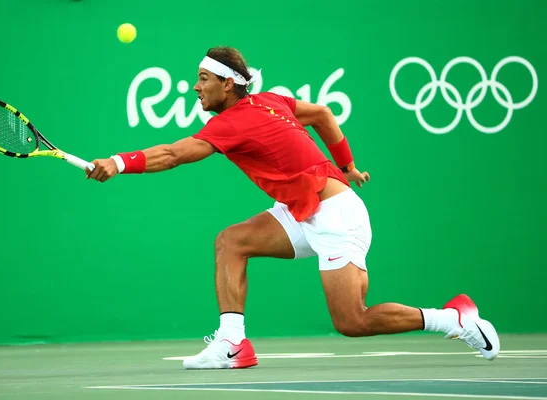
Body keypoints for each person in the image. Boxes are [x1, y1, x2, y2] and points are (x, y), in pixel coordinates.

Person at [85, 46, 500, 369]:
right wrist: (347, 164)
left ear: (228, 85)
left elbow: (174, 154)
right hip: (305, 209)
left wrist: (119, 162)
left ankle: (453, 318)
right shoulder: (271, 100)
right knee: (232, 242)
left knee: (352, 322)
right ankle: (231, 344)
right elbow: (322, 113)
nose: (195, 87)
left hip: (336, 215)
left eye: (204, 79)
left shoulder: (231, 122)